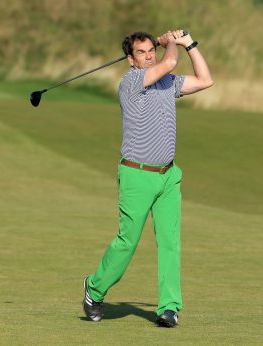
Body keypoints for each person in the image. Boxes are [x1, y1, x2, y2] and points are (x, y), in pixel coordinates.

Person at [82, 29, 213, 328]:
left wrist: (188, 44)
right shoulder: (130, 83)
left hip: (168, 176)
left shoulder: (167, 84)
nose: (149, 55)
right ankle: (94, 288)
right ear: (130, 59)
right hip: (136, 175)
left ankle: (169, 307)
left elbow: (206, 80)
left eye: (151, 50)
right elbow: (168, 64)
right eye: (141, 53)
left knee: (170, 242)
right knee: (127, 242)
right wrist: (169, 45)